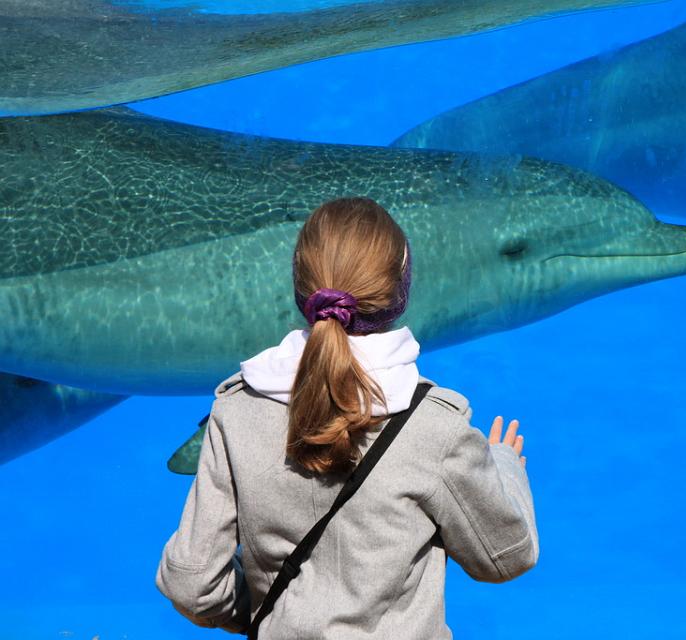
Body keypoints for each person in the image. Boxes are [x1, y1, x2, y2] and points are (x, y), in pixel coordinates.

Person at [155, 196, 538, 638]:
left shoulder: (236, 410)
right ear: (401, 289)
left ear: (301, 287)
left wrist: (274, 615)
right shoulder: (435, 427)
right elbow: (504, 557)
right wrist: (505, 465)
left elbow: (192, 584)